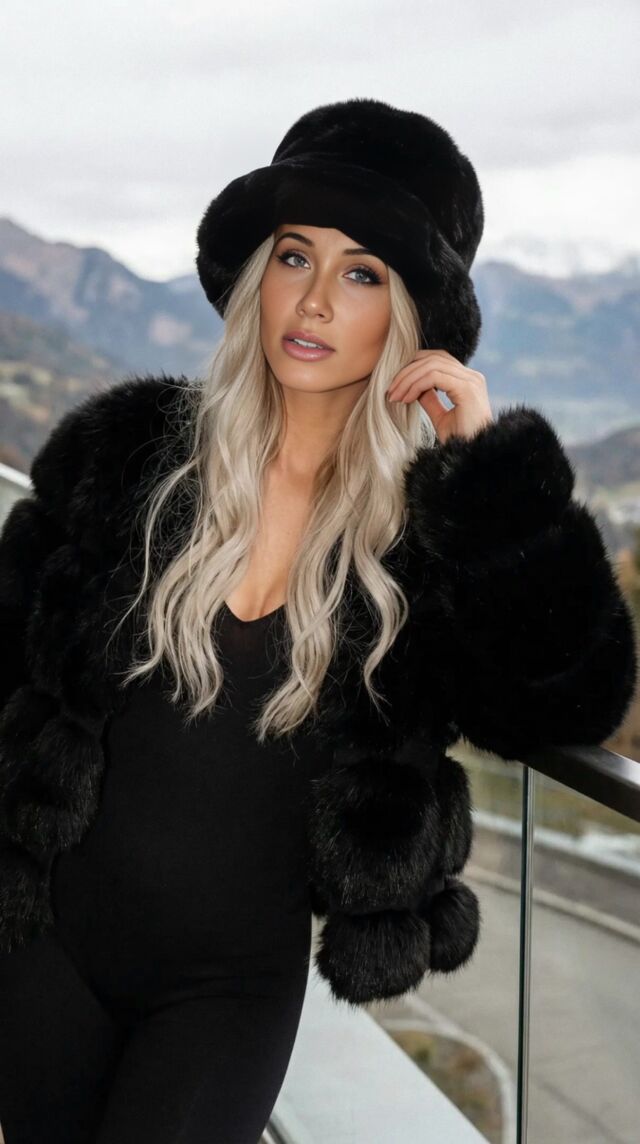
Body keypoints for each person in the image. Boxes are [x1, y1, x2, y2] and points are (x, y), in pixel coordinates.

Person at [0, 97, 636, 1144]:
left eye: (362, 273)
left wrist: (492, 478)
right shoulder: (130, 452)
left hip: (226, 992)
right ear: (259, 275)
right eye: (295, 256)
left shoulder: (426, 535)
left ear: (409, 316)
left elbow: (569, 699)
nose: (315, 300)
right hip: (43, 949)